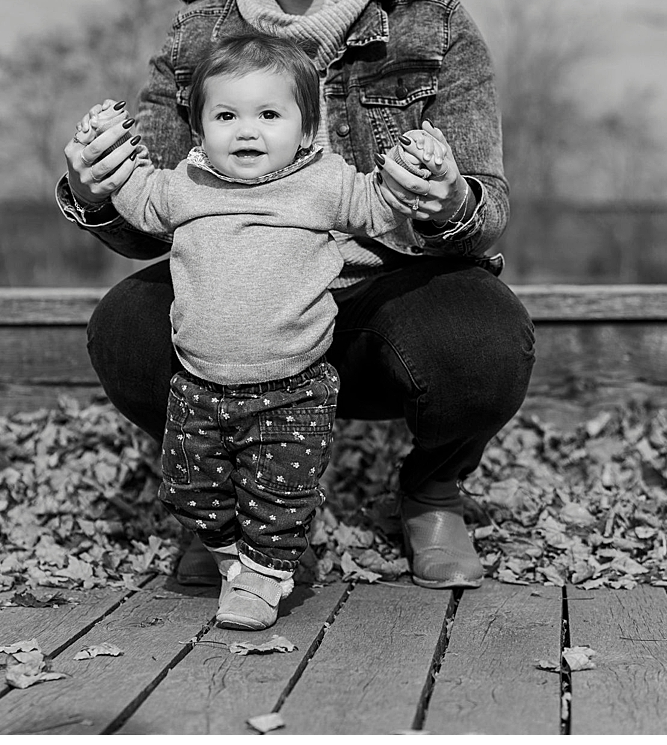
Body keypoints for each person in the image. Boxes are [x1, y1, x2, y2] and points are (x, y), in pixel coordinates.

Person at [58, 0, 533, 593]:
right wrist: (93, 188)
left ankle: (431, 493)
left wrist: (447, 198)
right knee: (124, 327)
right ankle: (223, 506)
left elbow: (486, 205)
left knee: (484, 342)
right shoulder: (197, 35)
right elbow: (152, 212)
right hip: (241, 294)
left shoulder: (431, 25)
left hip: (389, 295)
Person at [71, 33, 424, 629]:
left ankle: (264, 575)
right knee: (190, 490)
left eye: (269, 115)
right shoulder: (185, 185)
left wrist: (417, 172)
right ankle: (238, 558)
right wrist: (97, 153)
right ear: (201, 129)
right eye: (227, 116)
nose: (247, 131)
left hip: (293, 384)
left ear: (306, 131)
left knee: (278, 495)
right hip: (199, 382)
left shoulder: (323, 182)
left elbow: (378, 206)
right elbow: (135, 196)